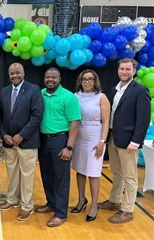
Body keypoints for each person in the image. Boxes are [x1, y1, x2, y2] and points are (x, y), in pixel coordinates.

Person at [98, 58, 151, 224]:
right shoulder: (114, 89)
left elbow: (143, 119)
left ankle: (128, 210)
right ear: (118, 71)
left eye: (128, 69)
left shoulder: (140, 91)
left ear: (134, 71)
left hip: (129, 141)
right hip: (113, 137)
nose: (125, 72)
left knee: (130, 176)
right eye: (122, 69)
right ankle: (114, 200)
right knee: (116, 172)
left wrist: (136, 141)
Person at [0, 63, 44, 221]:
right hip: (9, 141)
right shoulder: (4, 91)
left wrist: (22, 135)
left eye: (18, 73)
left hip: (27, 141)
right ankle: (12, 200)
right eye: (12, 73)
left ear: (23, 73)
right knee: (12, 173)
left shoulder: (33, 89)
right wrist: (4, 135)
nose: (15, 76)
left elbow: (37, 116)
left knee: (27, 175)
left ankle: (27, 206)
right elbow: (1, 117)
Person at [35, 67, 81, 227]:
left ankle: (61, 213)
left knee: (61, 178)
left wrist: (69, 147)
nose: (50, 80)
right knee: (47, 175)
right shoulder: (39, 94)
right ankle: (51, 203)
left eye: (53, 77)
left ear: (60, 78)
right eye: (47, 77)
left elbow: (75, 123)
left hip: (60, 140)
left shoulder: (68, 97)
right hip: (43, 140)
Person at [71, 69, 110, 222]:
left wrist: (102, 142)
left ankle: (94, 204)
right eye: (84, 79)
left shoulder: (101, 97)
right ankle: (81, 199)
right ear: (80, 81)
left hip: (95, 137)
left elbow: (106, 121)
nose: (87, 81)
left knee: (93, 173)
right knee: (80, 170)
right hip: (79, 137)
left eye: (90, 79)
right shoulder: (75, 97)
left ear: (95, 81)